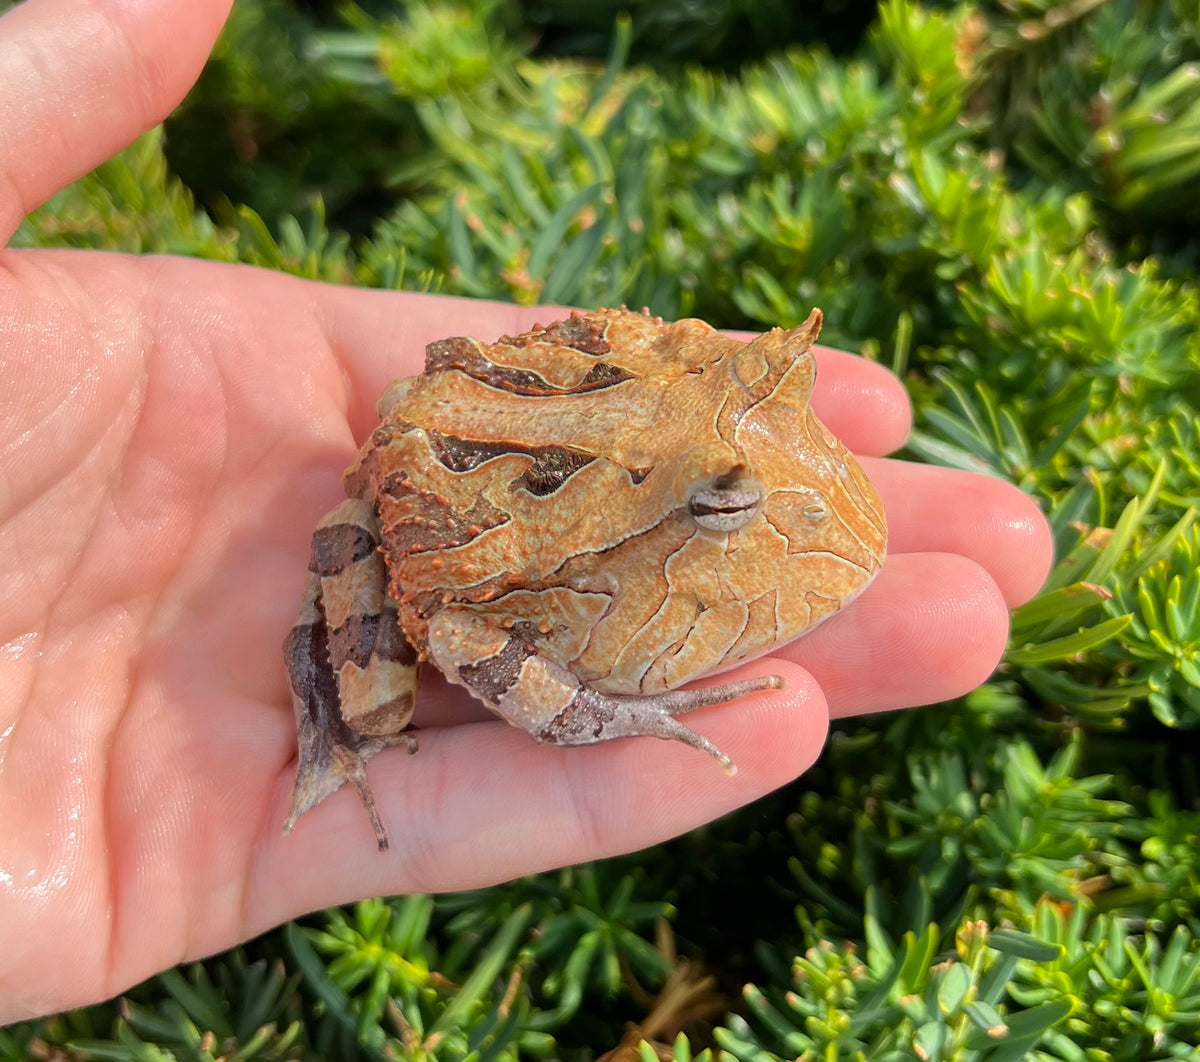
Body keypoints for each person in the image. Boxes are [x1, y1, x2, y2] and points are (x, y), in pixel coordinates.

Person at [0, 0, 1053, 1026]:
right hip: (436, 526)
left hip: (522, 420)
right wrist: (600, 716)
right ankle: (324, 698)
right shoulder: (581, 551)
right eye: (730, 505)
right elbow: (461, 630)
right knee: (373, 708)